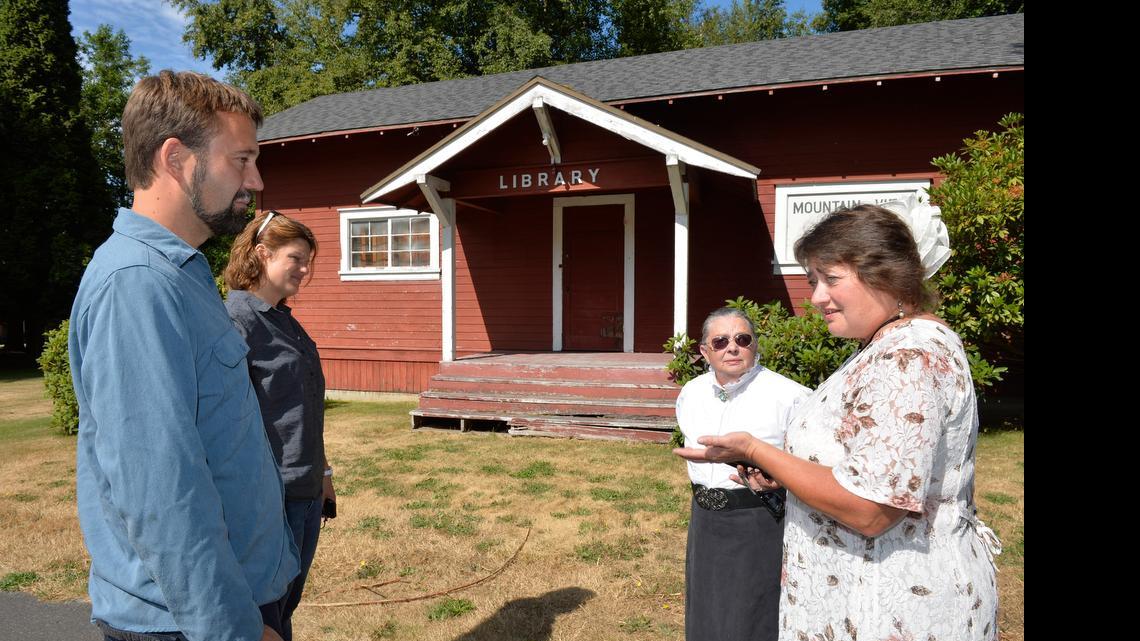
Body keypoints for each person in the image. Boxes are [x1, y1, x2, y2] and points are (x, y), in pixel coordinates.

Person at [674, 199, 1001, 641]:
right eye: (814, 281)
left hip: (891, 605)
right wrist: (786, 475)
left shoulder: (908, 356)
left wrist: (755, 450)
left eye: (831, 279)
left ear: (886, 273)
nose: (817, 297)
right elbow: (862, 467)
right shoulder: (885, 346)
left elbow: (872, 509)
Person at [68, 70, 299, 641]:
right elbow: (161, 491)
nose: (256, 180)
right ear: (176, 158)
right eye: (241, 160)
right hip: (190, 623)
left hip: (232, 601)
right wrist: (232, 629)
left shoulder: (183, 274)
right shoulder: (137, 284)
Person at [224, 211, 332, 640]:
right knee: (264, 615)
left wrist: (324, 473)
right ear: (262, 254)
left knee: (286, 607)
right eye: (296, 259)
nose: (305, 270)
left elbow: (303, 406)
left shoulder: (284, 319)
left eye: (308, 261)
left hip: (305, 489)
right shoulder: (237, 321)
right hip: (269, 497)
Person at [677, 307, 809, 641]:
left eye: (742, 339)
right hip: (704, 519)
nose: (732, 348)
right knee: (705, 611)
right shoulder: (691, 392)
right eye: (720, 341)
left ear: (754, 345)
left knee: (753, 615)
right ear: (705, 351)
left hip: (760, 518)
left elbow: (808, 468)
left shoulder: (790, 396)